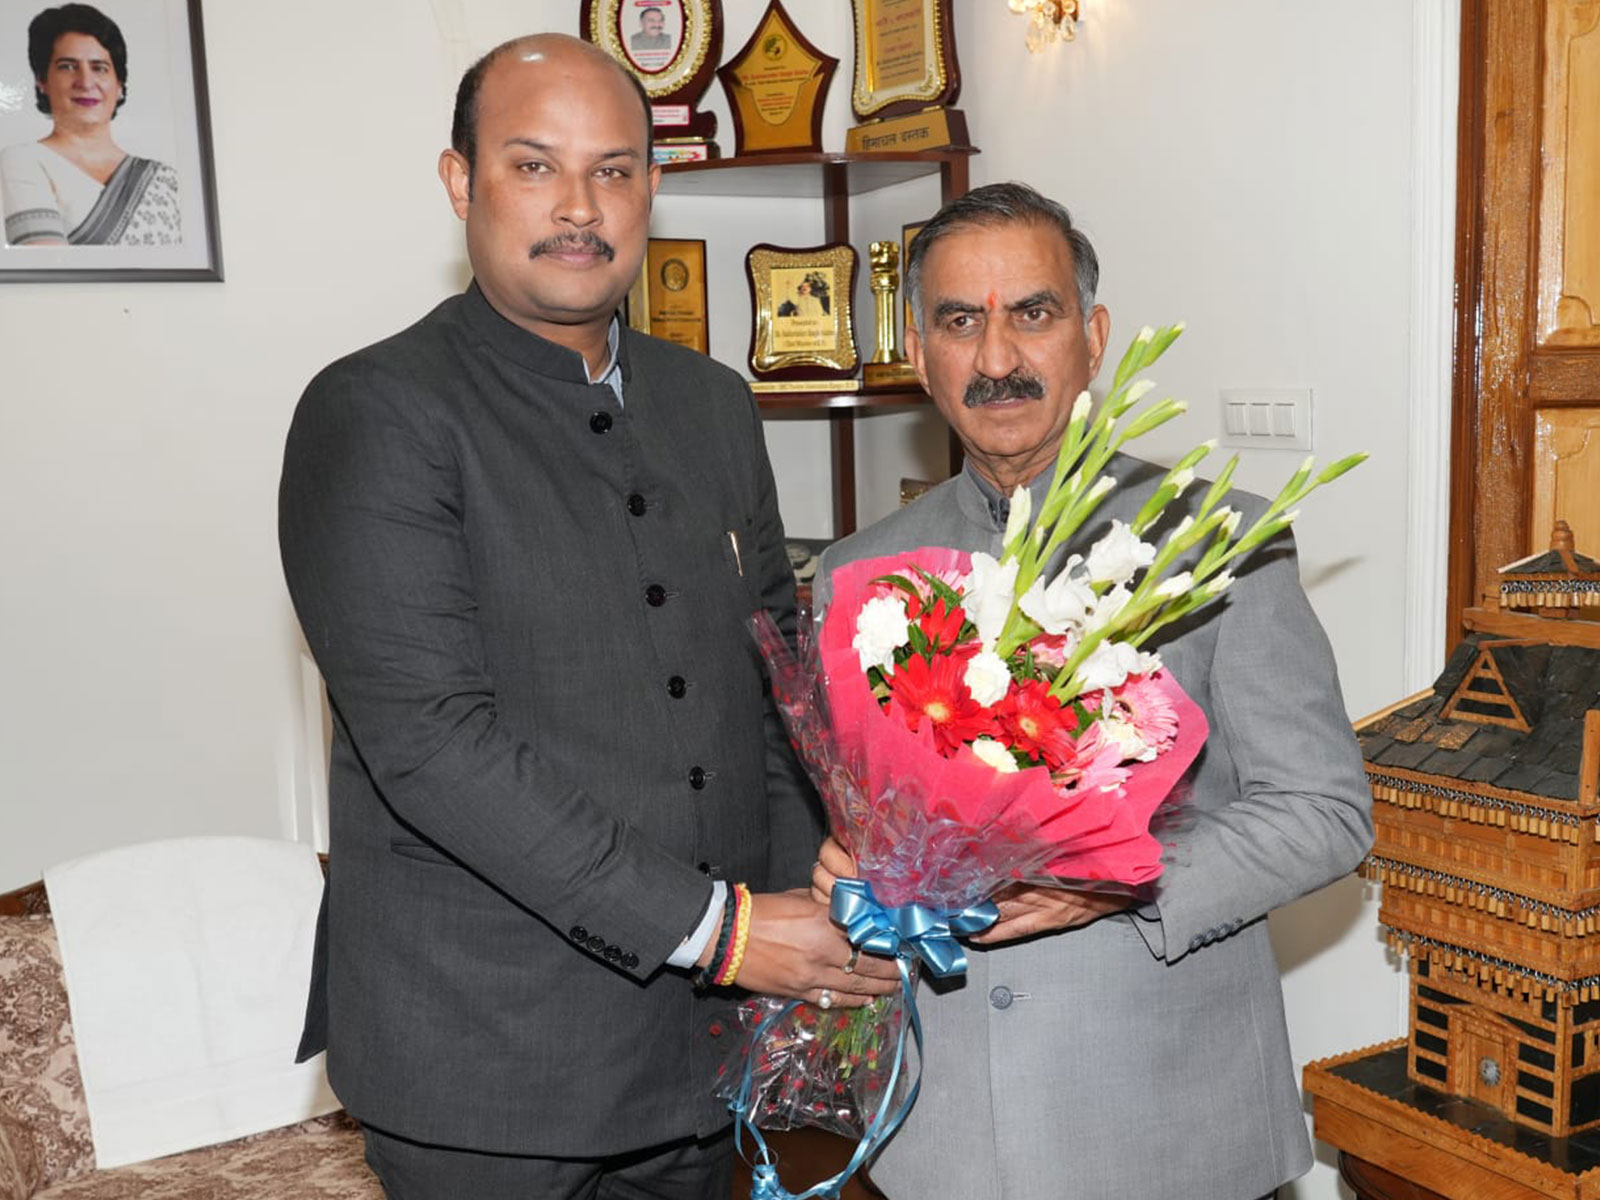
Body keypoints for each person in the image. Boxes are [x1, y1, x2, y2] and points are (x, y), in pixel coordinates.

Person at [278, 32, 897, 1200]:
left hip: (703, 1051)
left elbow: (777, 691)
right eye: (533, 166)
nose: (580, 207)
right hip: (487, 1067)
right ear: (460, 181)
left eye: (613, 170)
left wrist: (814, 903)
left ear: (651, 189)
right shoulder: (375, 412)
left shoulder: (712, 404)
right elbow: (434, 750)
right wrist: (725, 930)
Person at [813, 182, 1374, 1200]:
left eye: (1033, 313)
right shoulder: (855, 574)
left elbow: (1324, 812)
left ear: (1093, 334)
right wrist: (849, 874)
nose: (996, 358)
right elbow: (873, 818)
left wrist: (1114, 881)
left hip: (1167, 1130)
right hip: (936, 1140)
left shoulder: (1216, 546)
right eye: (959, 320)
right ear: (918, 348)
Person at [0, 3, 180, 247]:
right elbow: (49, 269)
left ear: (119, 85)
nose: (85, 81)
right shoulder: (23, 160)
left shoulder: (164, 180)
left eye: (99, 68)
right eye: (68, 66)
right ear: (42, 80)